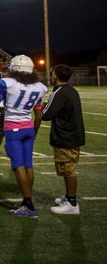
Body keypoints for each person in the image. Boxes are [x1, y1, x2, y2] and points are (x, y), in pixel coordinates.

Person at [0, 55, 47, 218]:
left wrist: (6, 109)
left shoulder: (6, 84)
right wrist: (34, 133)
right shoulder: (40, 87)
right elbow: (39, 116)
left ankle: (28, 204)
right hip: (29, 128)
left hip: (13, 129)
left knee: (18, 166)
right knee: (28, 165)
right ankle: (27, 201)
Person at [41, 64, 86, 215]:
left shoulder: (59, 92)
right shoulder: (71, 90)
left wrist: (41, 106)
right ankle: (68, 197)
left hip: (65, 137)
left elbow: (46, 115)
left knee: (68, 170)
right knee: (68, 168)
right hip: (72, 135)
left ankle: (72, 203)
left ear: (55, 76)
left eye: (53, 73)